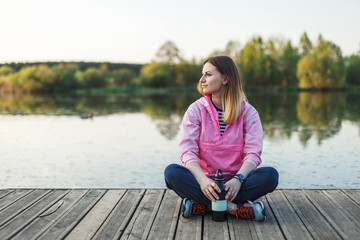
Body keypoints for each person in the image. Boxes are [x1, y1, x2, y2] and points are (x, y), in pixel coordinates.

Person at [164, 55, 278, 221]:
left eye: (208, 75)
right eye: (202, 74)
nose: (202, 79)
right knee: (172, 173)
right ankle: (234, 209)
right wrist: (203, 181)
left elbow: (253, 154)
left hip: (237, 183)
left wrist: (238, 180)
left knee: (270, 176)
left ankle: (203, 206)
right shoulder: (196, 110)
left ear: (225, 78)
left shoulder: (249, 113)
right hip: (205, 183)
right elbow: (188, 152)